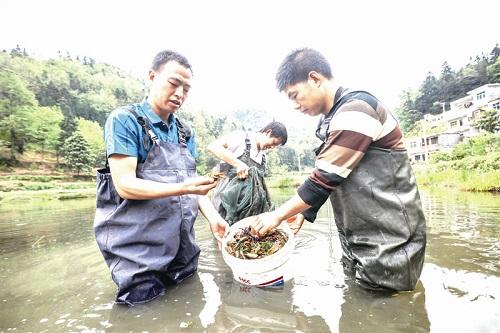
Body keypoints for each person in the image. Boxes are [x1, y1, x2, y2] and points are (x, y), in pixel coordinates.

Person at [249, 48, 427, 291]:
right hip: (359, 236)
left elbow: (323, 179)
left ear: (314, 78)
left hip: (389, 239)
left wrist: (277, 215)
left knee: (389, 313)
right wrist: (302, 212)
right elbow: (334, 175)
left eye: (294, 95)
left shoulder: (357, 110)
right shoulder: (331, 120)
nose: (294, 105)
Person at [93, 50, 229, 305]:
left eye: (186, 89)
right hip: (138, 250)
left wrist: (214, 218)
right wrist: (183, 187)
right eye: (173, 83)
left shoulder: (185, 132)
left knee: (190, 305)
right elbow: (125, 186)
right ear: (152, 76)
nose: (179, 94)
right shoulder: (124, 120)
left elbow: (194, 185)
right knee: (142, 309)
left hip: (183, 246)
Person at [206, 122, 288, 225]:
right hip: (224, 205)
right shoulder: (240, 138)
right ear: (268, 132)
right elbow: (213, 147)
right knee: (223, 236)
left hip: (248, 212)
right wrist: (237, 164)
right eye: (274, 143)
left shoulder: (263, 158)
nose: (272, 147)